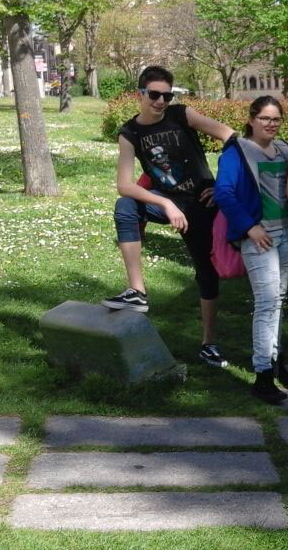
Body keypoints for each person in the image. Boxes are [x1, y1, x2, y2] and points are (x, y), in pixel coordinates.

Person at [104, 66, 235, 369]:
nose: (160, 101)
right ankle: (137, 291)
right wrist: (164, 203)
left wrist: (222, 186)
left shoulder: (182, 115)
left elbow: (231, 137)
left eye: (166, 95)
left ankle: (208, 344)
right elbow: (124, 184)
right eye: (154, 94)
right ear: (141, 94)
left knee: (206, 272)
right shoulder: (130, 133)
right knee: (125, 205)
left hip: (202, 203)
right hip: (168, 203)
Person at [215, 96, 288, 404]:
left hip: (285, 236)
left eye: (276, 119)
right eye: (264, 118)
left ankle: (276, 364)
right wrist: (249, 227)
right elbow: (223, 192)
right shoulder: (237, 152)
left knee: (278, 301)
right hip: (259, 238)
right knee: (266, 303)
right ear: (251, 119)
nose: (270, 124)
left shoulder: (285, 149)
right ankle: (263, 375)